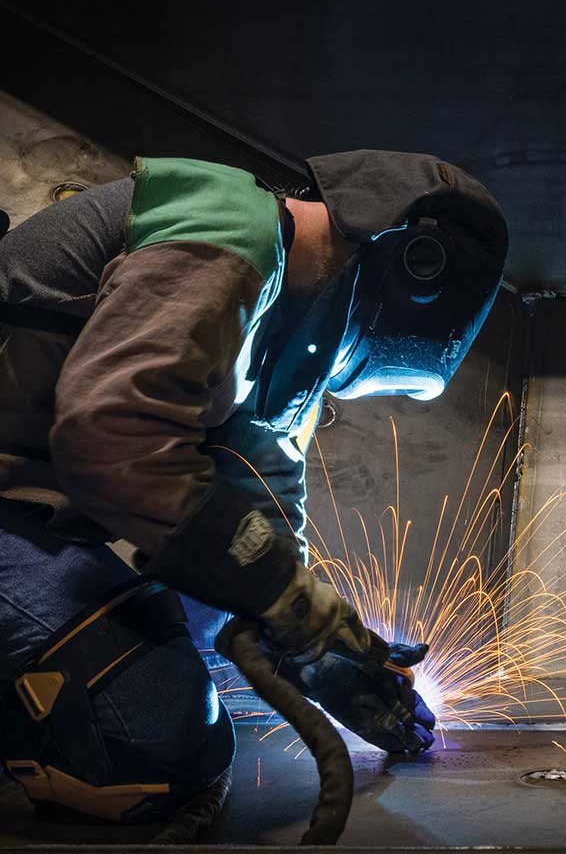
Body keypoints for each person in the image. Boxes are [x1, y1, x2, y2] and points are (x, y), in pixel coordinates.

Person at [0, 150, 509, 823]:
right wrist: (284, 599)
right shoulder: (226, 233)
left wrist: (315, 641)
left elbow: (258, 506)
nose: (339, 359)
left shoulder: (274, 332)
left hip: (24, 516)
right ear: (406, 266)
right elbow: (112, 438)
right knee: (156, 743)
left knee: (221, 656)